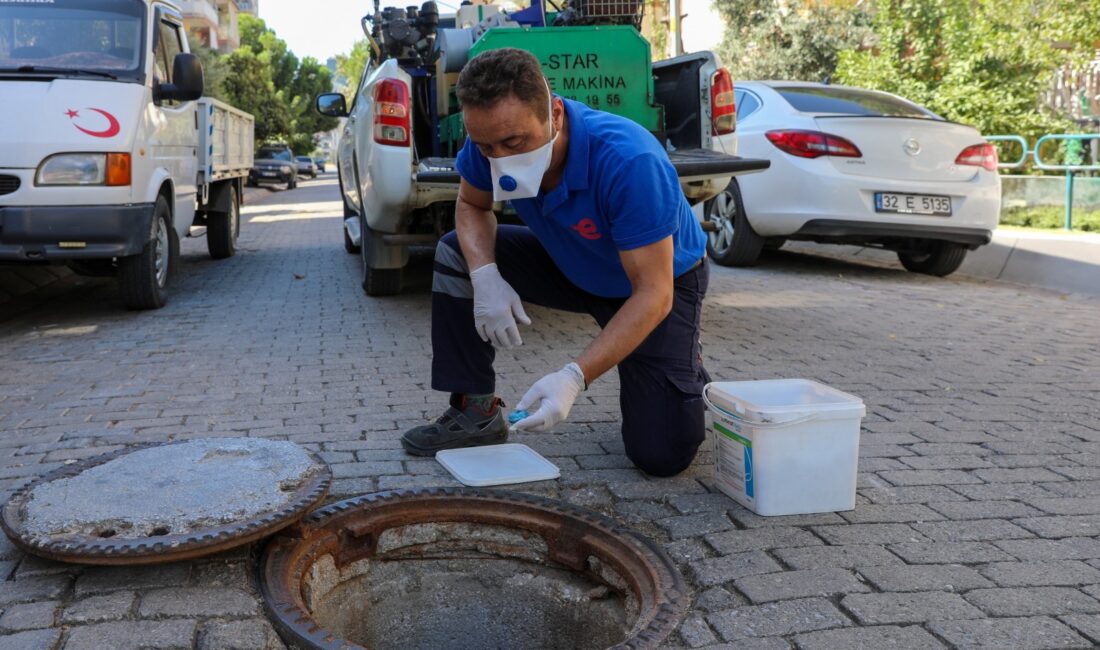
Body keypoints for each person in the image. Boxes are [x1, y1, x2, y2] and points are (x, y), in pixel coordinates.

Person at [400, 47, 711, 477]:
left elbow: (655, 294)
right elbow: (472, 205)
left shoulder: (629, 161)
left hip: (653, 285)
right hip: (571, 262)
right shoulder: (486, 143)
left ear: (556, 114)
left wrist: (574, 376)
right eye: (487, 146)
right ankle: (475, 411)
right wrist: (486, 276)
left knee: (661, 454)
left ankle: (681, 366)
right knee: (455, 252)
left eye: (515, 142)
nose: (500, 158)